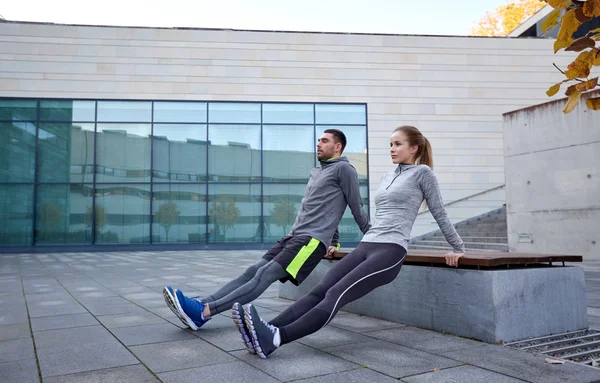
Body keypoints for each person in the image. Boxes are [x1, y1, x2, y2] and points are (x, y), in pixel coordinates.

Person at [238, 125, 466, 358]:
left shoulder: (423, 173)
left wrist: (458, 248)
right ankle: (264, 329)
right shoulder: (388, 176)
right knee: (319, 291)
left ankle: (276, 339)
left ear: (414, 147)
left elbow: (440, 212)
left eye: (397, 144)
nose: (392, 149)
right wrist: (334, 242)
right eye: (390, 144)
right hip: (367, 244)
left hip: (390, 250)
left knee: (335, 294)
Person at [163, 129, 371, 350]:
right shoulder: (318, 172)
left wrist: (373, 236)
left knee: (264, 275)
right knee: (252, 270)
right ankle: (200, 304)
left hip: (310, 242)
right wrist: (335, 239)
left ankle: (204, 312)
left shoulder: (345, 169)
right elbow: (328, 208)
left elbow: (355, 205)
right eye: (319, 140)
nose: (318, 144)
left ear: (338, 147)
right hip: (293, 236)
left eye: (325, 141)